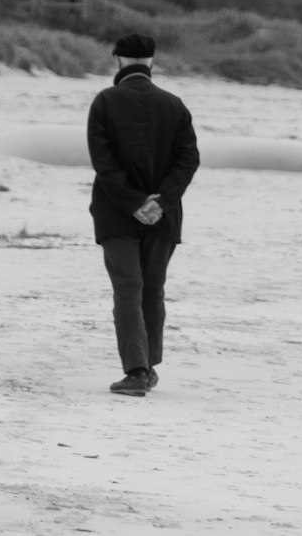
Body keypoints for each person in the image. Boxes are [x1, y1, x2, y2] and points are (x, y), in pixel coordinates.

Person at [87, 32, 200, 397]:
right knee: (152, 290)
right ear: (152, 61)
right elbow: (188, 161)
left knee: (127, 289)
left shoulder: (105, 101)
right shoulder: (175, 105)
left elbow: (104, 164)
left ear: (116, 59)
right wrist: (160, 201)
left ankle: (136, 371)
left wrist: (135, 202)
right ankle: (147, 367)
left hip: (117, 214)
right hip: (163, 216)